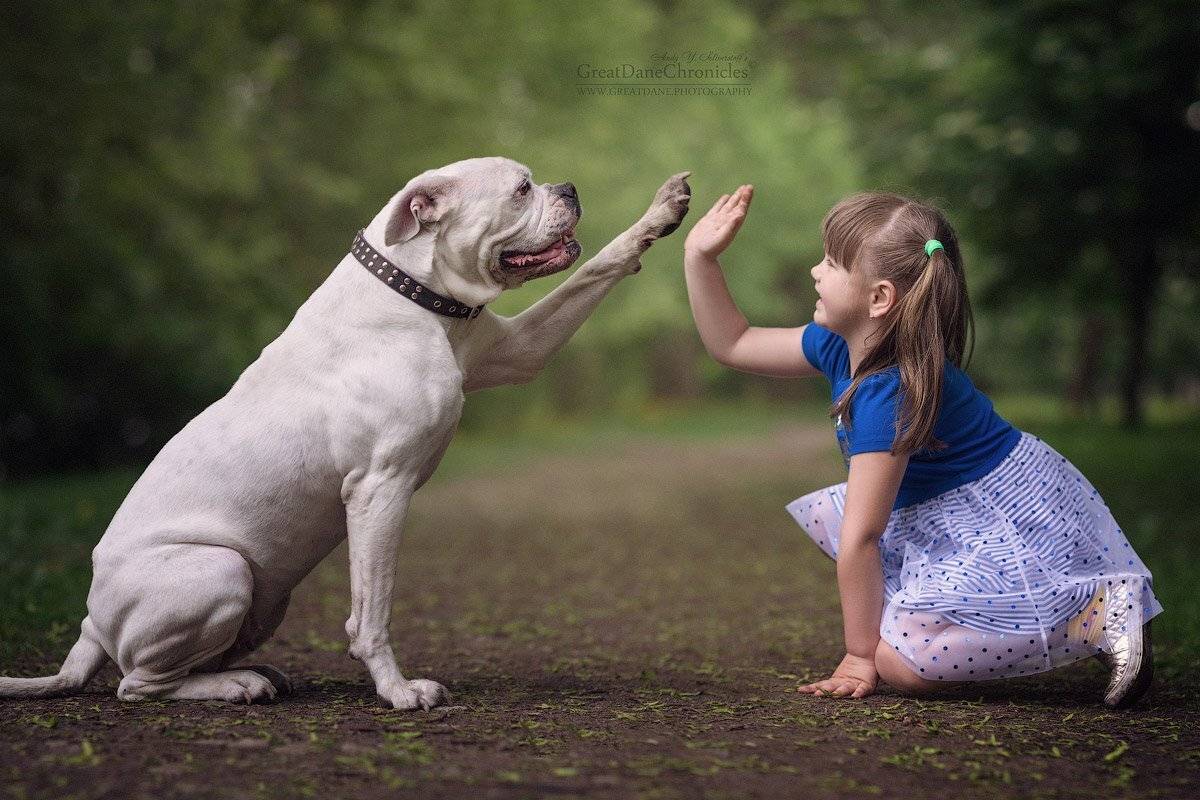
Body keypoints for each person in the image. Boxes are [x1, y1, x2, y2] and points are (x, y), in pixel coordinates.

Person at [681, 185, 1163, 707]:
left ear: (879, 298)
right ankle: (1050, 614)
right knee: (895, 628)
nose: (815, 272)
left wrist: (858, 655)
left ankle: (1095, 613)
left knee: (902, 663)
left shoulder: (890, 391)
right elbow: (732, 342)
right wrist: (699, 258)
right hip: (942, 511)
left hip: (999, 518)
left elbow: (862, 537)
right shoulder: (838, 344)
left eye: (831, 263)